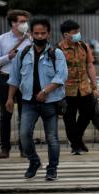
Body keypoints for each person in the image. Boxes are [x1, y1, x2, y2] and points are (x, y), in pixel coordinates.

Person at [6, 18, 68, 180]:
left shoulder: (56, 53)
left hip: (51, 102)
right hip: (28, 102)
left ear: (48, 33)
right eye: (36, 33)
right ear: (31, 34)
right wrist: (10, 98)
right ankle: (34, 161)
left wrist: (46, 90)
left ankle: (52, 169)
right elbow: (14, 77)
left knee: (52, 138)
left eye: (43, 33)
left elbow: (61, 76)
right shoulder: (24, 53)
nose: (40, 36)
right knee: (24, 135)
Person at [58, 20, 99, 155]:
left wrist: (94, 85)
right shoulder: (58, 49)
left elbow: (90, 66)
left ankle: (77, 139)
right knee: (69, 118)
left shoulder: (83, 46)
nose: (77, 34)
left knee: (88, 114)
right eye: (74, 32)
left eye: (78, 31)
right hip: (67, 90)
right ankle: (76, 145)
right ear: (66, 35)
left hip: (84, 88)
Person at [0, 9, 31, 158]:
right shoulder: (1, 39)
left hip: (25, 80)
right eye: (22, 21)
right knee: (6, 114)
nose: (25, 24)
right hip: (5, 79)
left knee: (25, 115)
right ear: (13, 23)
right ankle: (5, 149)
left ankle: (24, 147)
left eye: (26, 21)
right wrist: (8, 57)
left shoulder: (30, 39)